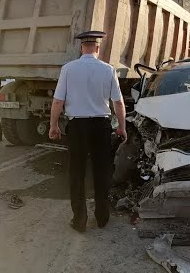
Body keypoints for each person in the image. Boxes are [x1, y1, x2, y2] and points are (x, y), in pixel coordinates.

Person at [49, 31, 127, 233]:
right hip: (101, 127)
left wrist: (53, 125)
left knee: (77, 173)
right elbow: (118, 102)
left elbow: (58, 101)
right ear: (98, 48)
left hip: (77, 127)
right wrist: (122, 127)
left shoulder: (68, 69)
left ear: (81, 47)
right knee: (102, 172)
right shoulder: (108, 70)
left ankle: (80, 220)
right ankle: (102, 217)